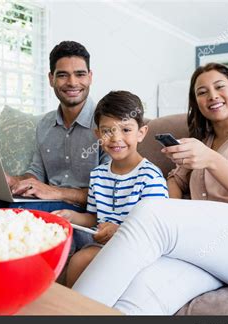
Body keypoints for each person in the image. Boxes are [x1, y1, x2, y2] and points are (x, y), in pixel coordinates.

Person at [72, 63, 228, 315]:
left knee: (151, 211)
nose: (212, 96)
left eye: (219, 87)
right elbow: (174, 185)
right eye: (202, 92)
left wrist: (212, 160)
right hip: (215, 256)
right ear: (196, 102)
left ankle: (62, 315)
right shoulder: (202, 141)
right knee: (135, 302)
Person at [0, 41, 109, 250]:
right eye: (63, 75)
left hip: (81, 209)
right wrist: (13, 181)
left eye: (80, 74)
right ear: (51, 79)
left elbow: (110, 190)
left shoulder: (108, 124)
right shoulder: (45, 125)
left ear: (90, 76)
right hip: (47, 199)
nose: (72, 82)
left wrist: (56, 192)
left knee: (17, 213)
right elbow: (36, 172)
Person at [53, 91, 169, 287]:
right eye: (108, 131)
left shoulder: (150, 176)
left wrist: (120, 230)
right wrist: (71, 217)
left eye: (125, 130)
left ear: (141, 133)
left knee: (81, 260)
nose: (116, 138)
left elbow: (155, 231)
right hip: (105, 246)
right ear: (98, 134)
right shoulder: (98, 175)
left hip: (137, 249)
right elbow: (93, 217)